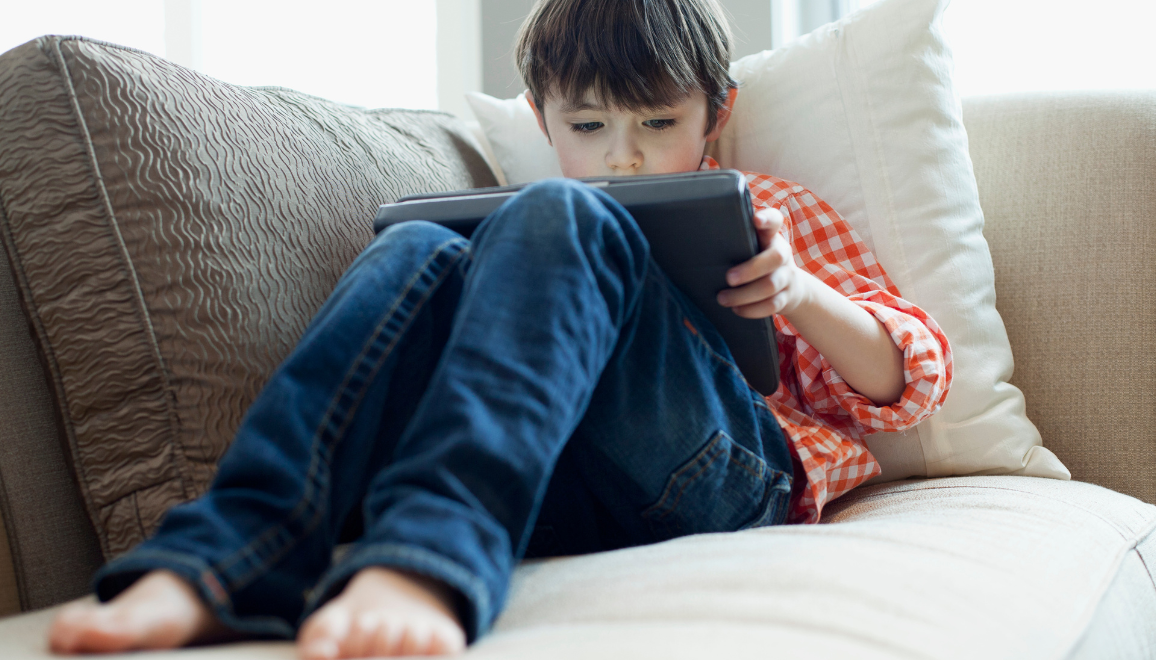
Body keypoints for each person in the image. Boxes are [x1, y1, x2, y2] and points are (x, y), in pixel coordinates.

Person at [47, 0, 951, 657]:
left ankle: (433, 556)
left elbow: (913, 380)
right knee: (418, 249)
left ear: (717, 112)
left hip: (720, 478)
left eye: (659, 121)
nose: (625, 153)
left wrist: (796, 292)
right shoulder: (530, 223)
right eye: (588, 124)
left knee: (563, 216)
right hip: (554, 487)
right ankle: (230, 552)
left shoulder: (768, 209)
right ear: (541, 116)